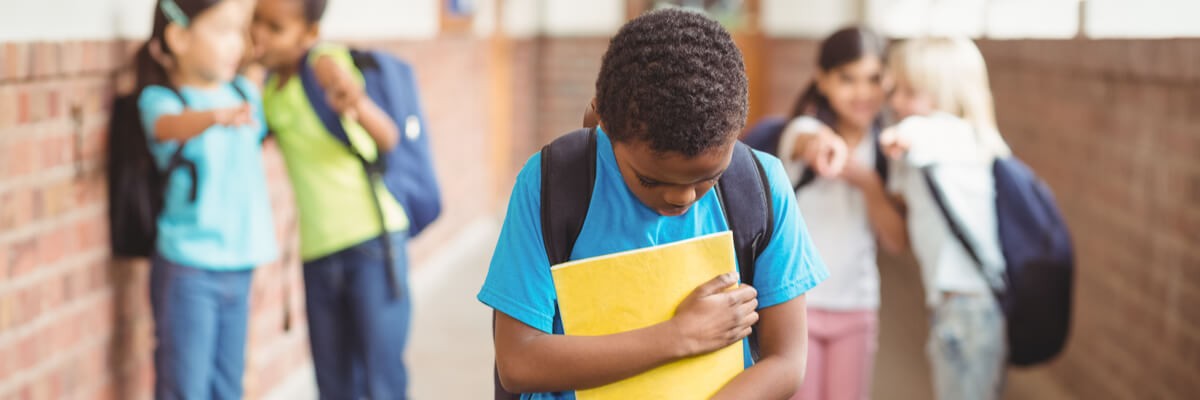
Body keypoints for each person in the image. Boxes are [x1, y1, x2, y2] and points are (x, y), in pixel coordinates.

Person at [478, 9, 829, 400]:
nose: (681, 197)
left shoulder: (761, 187)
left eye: (707, 179)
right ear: (603, 122)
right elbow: (519, 361)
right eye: (649, 179)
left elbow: (786, 361)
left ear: (736, 132)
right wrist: (678, 336)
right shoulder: (551, 184)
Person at [251, 0, 417, 398]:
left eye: (275, 28)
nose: (259, 34)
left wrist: (351, 97)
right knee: (334, 385)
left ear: (309, 35)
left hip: (372, 246)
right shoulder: (270, 91)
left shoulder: (324, 63)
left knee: (382, 381)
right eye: (256, 21)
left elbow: (388, 137)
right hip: (318, 255)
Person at [134, 0, 277, 398]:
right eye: (223, 30)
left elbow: (258, 61)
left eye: (240, 31)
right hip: (188, 269)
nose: (237, 42)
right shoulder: (164, 101)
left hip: (240, 265)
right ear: (179, 37)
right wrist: (215, 117)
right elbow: (167, 128)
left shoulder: (243, 93)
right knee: (186, 386)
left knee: (228, 386)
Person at [772, 27, 908, 400]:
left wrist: (867, 182)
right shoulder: (802, 128)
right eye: (847, 79)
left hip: (858, 306)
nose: (862, 93)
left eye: (873, 79)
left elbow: (895, 240)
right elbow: (808, 142)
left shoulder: (889, 152)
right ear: (822, 79)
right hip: (799, 306)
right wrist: (825, 148)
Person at [881, 36, 1012, 400]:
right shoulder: (959, 143)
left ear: (945, 94)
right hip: (958, 306)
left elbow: (922, 132)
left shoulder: (953, 135)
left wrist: (898, 136)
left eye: (910, 92)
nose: (896, 102)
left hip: (967, 309)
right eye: (896, 90)